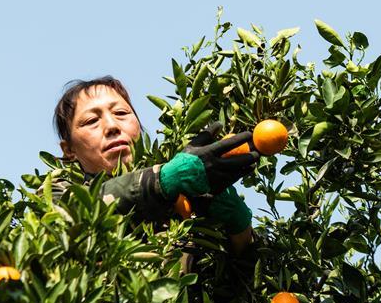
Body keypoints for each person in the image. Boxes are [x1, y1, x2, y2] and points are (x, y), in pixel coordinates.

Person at [50, 76, 259, 256]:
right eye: (91, 121)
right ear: (69, 150)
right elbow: (75, 215)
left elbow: (239, 290)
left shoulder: (184, 204)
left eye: (121, 113)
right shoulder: (56, 194)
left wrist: (239, 229)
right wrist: (160, 181)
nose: (112, 126)